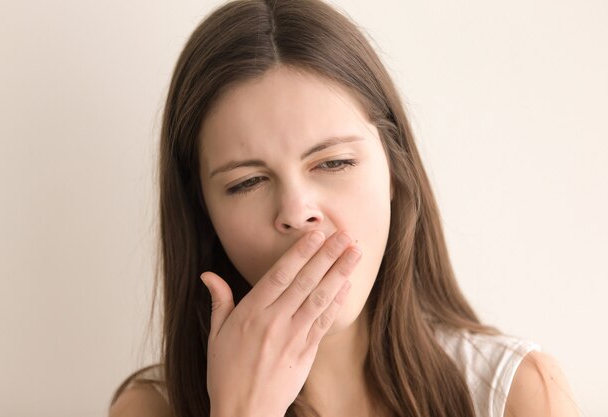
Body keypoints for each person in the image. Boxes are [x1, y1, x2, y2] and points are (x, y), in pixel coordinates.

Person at [109, 1, 579, 416]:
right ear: (203, 211)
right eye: (247, 182)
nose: (296, 211)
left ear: (395, 171)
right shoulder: (150, 409)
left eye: (334, 162)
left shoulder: (518, 395)